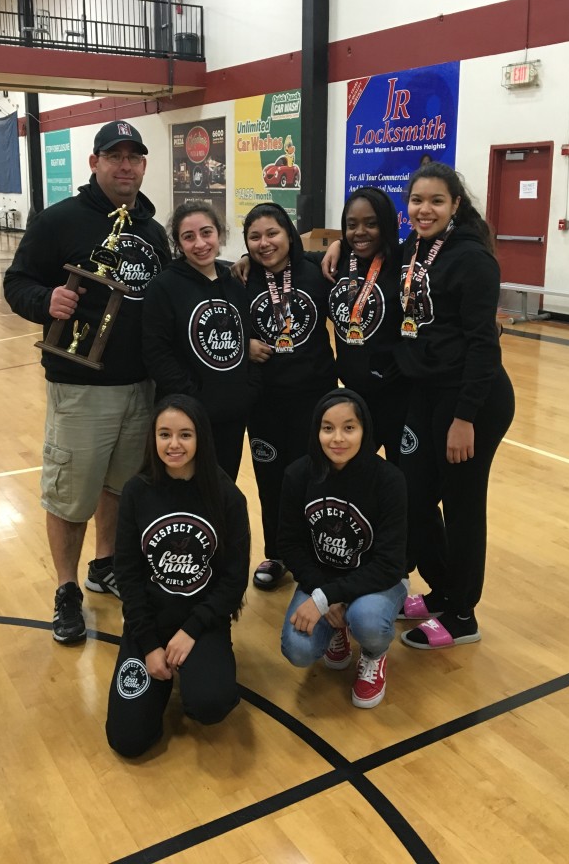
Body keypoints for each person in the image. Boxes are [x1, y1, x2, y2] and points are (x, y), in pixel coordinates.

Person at [4, 120, 171, 645]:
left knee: (120, 488)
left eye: (134, 157)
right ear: (94, 163)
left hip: (141, 387)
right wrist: (44, 301)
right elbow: (16, 282)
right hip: (81, 389)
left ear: (144, 165)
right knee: (70, 495)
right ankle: (66, 589)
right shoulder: (60, 221)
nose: (125, 165)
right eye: (113, 155)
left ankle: (105, 566)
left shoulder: (151, 229)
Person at [396, 162, 515, 649]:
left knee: (463, 505)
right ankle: (442, 589)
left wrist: (464, 417)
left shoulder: (473, 259)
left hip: (472, 400)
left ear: (455, 206)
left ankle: (463, 614)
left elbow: (485, 345)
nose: (425, 210)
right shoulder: (414, 249)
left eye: (436, 202)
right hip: (426, 394)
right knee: (414, 496)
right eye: (417, 201)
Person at [105, 395, 250, 758]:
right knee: (128, 740)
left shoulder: (227, 496)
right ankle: (157, 683)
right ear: (152, 439)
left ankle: (198, 674)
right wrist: (150, 643)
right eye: (164, 434)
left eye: (185, 435)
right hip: (150, 621)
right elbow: (127, 572)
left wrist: (192, 632)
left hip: (201, 622)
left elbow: (233, 581)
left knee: (211, 704)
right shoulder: (138, 491)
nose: (174, 444)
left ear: (201, 438)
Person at [278, 389, 408, 709]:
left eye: (349, 428)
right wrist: (326, 593)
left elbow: (389, 564)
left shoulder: (389, 480)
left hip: (378, 580)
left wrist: (323, 598)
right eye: (328, 428)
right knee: (297, 649)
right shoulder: (298, 475)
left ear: (365, 431)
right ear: (316, 432)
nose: (338, 438)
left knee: (368, 621)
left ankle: (374, 654)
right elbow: (290, 545)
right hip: (324, 576)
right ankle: (336, 630)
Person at [242, 203, 336, 591]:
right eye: (255, 236)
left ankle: (318, 552)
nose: (265, 244)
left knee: (315, 477)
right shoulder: (240, 278)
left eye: (272, 233)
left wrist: (336, 247)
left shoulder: (317, 272)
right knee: (271, 479)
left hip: (314, 398)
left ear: (289, 235)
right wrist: (244, 344)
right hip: (264, 401)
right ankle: (277, 552)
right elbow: (224, 319)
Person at [142, 201, 256, 480]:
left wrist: (248, 390)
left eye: (207, 233)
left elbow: (247, 340)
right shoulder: (164, 286)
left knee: (222, 490)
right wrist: (194, 399)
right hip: (186, 417)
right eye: (189, 237)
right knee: (184, 495)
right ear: (178, 244)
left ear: (219, 234)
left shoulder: (234, 282)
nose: (200, 243)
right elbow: (156, 352)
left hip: (231, 417)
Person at [323, 186, 407, 463]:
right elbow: (287, 263)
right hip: (355, 400)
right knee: (352, 478)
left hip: (398, 399)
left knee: (405, 484)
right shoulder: (335, 267)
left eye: (371, 224)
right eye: (351, 225)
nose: (360, 232)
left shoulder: (403, 264)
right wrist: (246, 260)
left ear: (386, 223)